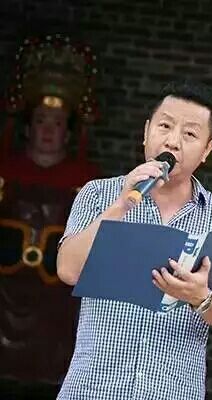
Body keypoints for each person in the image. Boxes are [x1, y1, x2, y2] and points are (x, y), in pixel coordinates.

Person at [55, 81, 212, 400]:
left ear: (207, 150)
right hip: (93, 386)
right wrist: (121, 205)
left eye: (190, 134)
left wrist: (199, 296)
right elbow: (68, 270)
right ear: (146, 132)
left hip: (173, 390)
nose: (173, 141)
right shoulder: (98, 194)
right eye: (165, 126)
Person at [0, 34, 100, 393]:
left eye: (57, 123)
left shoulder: (86, 182)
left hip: (55, 302)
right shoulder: (5, 170)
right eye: (42, 120)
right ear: (28, 126)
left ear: (67, 132)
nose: (47, 130)